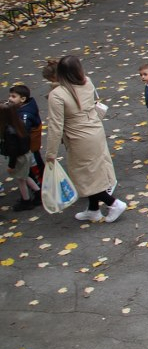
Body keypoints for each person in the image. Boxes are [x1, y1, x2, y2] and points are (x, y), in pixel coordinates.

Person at [41, 56, 126, 223]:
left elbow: (55, 126)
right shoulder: (87, 82)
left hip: (78, 138)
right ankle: (93, 209)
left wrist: (51, 153)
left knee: (84, 176)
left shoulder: (57, 95)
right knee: (93, 172)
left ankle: (114, 203)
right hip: (95, 131)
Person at [1, 102, 38, 211]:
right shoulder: (19, 124)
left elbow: (13, 151)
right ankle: (39, 192)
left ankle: (26, 201)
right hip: (26, 154)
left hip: (19, 158)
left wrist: (11, 165)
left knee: (21, 180)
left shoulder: (8, 131)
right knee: (25, 176)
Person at [9, 84, 44, 187]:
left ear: (23, 99)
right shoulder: (27, 106)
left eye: (13, 96)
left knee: (34, 166)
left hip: (29, 147)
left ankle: (40, 185)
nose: (10, 99)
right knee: (36, 162)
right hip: (31, 145)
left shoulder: (25, 115)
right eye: (10, 96)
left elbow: (23, 133)